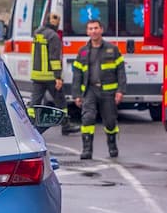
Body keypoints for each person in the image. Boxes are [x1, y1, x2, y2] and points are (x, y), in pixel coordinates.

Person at [71, 18, 126, 159]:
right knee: (87, 119)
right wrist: (77, 94)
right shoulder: (82, 51)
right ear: (87, 32)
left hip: (108, 92)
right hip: (89, 91)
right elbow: (77, 74)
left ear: (101, 30)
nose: (93, 31)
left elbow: (121, 71)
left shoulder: (112, 49)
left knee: (110, 121)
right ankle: (87, 150)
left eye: (96, 28)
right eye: (90, 29)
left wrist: (120, 90)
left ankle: (112, 146)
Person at [28, 13, 75, 135]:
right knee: (60, 101)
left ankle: (28, 127)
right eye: (57, 20)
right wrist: (58, 77)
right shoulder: (53, 36)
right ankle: (66, 126)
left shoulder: (37, 33)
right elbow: (54, 58)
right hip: (49, 76)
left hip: (37, 75)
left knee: (34, 103)